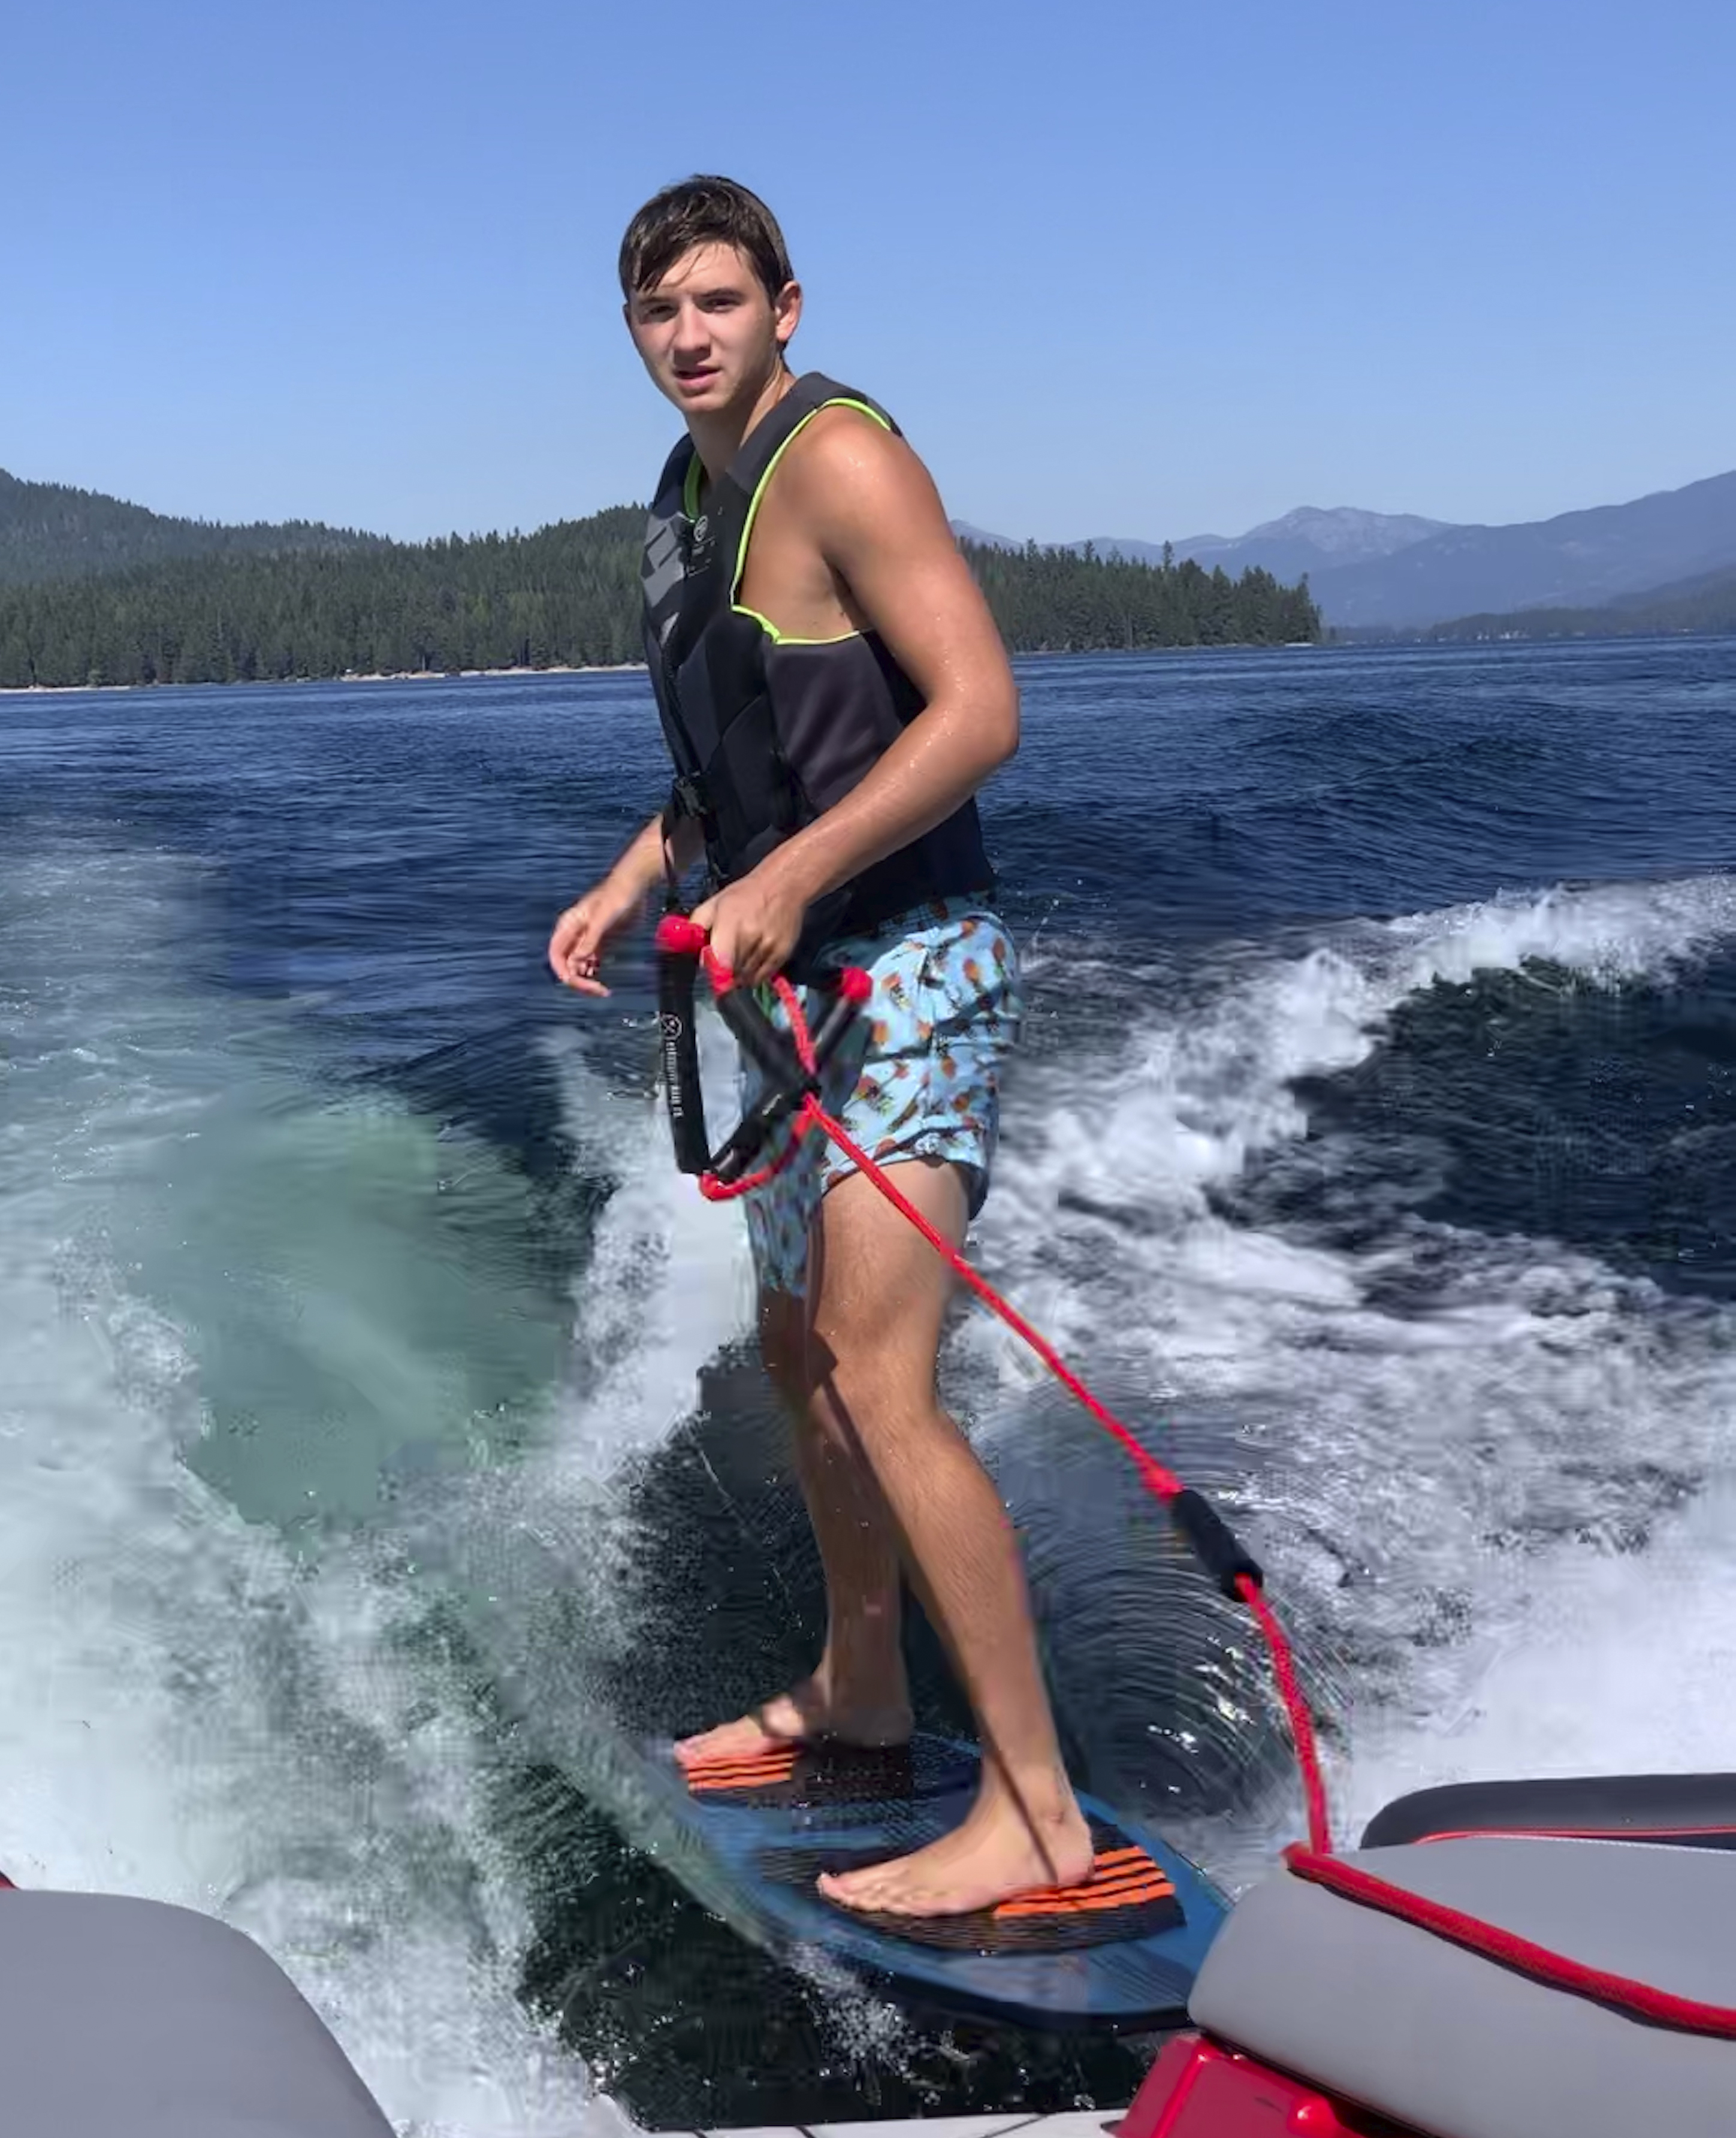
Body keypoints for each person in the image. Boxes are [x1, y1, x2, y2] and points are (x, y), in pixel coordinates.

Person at [547, 176, 1092, 1918]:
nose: (688, 336)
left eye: (718, 302)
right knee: (798, 1357)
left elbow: (980, 711)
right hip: (789, 999)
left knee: (876, 1372)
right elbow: (744, 754)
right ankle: (862, 1695)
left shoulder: (839, 459)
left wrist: (785, 880)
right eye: (658, 312)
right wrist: (640, 875)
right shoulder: (688, 496)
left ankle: (1037, 1815)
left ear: (785, 307)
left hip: (912, 967)